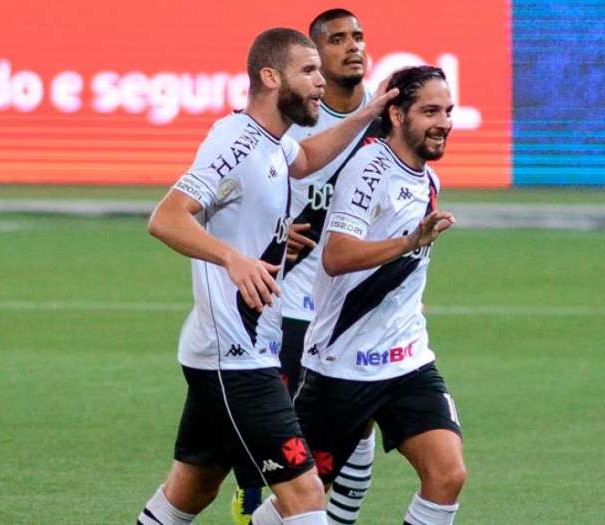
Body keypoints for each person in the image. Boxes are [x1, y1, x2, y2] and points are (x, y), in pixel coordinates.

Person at [136, 27, 396, 525]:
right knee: (304, 495)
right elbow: (166, 218)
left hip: (237, 350)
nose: (321, 81)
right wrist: (233, 258)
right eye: (310, 71)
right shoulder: (234, 141)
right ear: (271, 76)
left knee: (192, 488)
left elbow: (309, 159)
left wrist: (365, 114)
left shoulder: (275, 144)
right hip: (234, 358)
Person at [294, 66, 467, 525]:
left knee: (447, 475)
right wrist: (409, 243)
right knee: (306, 498)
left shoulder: (428, 179)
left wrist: (410, 287)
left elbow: (403, 265)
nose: (444, 122)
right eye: (429, 111)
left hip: (407, 360)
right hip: (342, 367)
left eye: (447, 111)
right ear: (396, 113)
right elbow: (336, 254)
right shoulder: (368, 169)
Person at [232, 10, 380, 525]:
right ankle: (252, 507)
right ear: (313, 60)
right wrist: (276, 224)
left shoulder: (388, 116)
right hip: (288, 303)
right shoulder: (294, 114)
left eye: (358, 37)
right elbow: (246, 184)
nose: (352, 48)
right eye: (337, 40)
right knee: (288, 441)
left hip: (352, 306)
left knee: (356, 430)